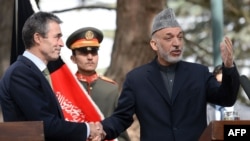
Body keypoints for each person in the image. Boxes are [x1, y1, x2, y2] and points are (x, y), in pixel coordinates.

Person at [101, 8, 240, 141]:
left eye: (180, 37)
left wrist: (228, 67)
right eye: (169, 38)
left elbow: (226, 99)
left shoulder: (199, 73)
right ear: (154, 44)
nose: (177, 43)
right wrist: (101, 130)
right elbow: (122, 118)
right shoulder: (137, 79)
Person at [0, 11, 104, 141]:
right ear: (37, 38)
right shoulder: (21, 73)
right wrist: (88, 129)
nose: (61, 43)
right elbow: (45, 125)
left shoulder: (33, 72)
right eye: (57, 37)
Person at [66, 27, 130, 141]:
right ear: (73, 59)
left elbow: (121, 132)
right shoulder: (66, 89)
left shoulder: (110, 88)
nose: (90, 57)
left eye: (94, 52)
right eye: (84, 52)